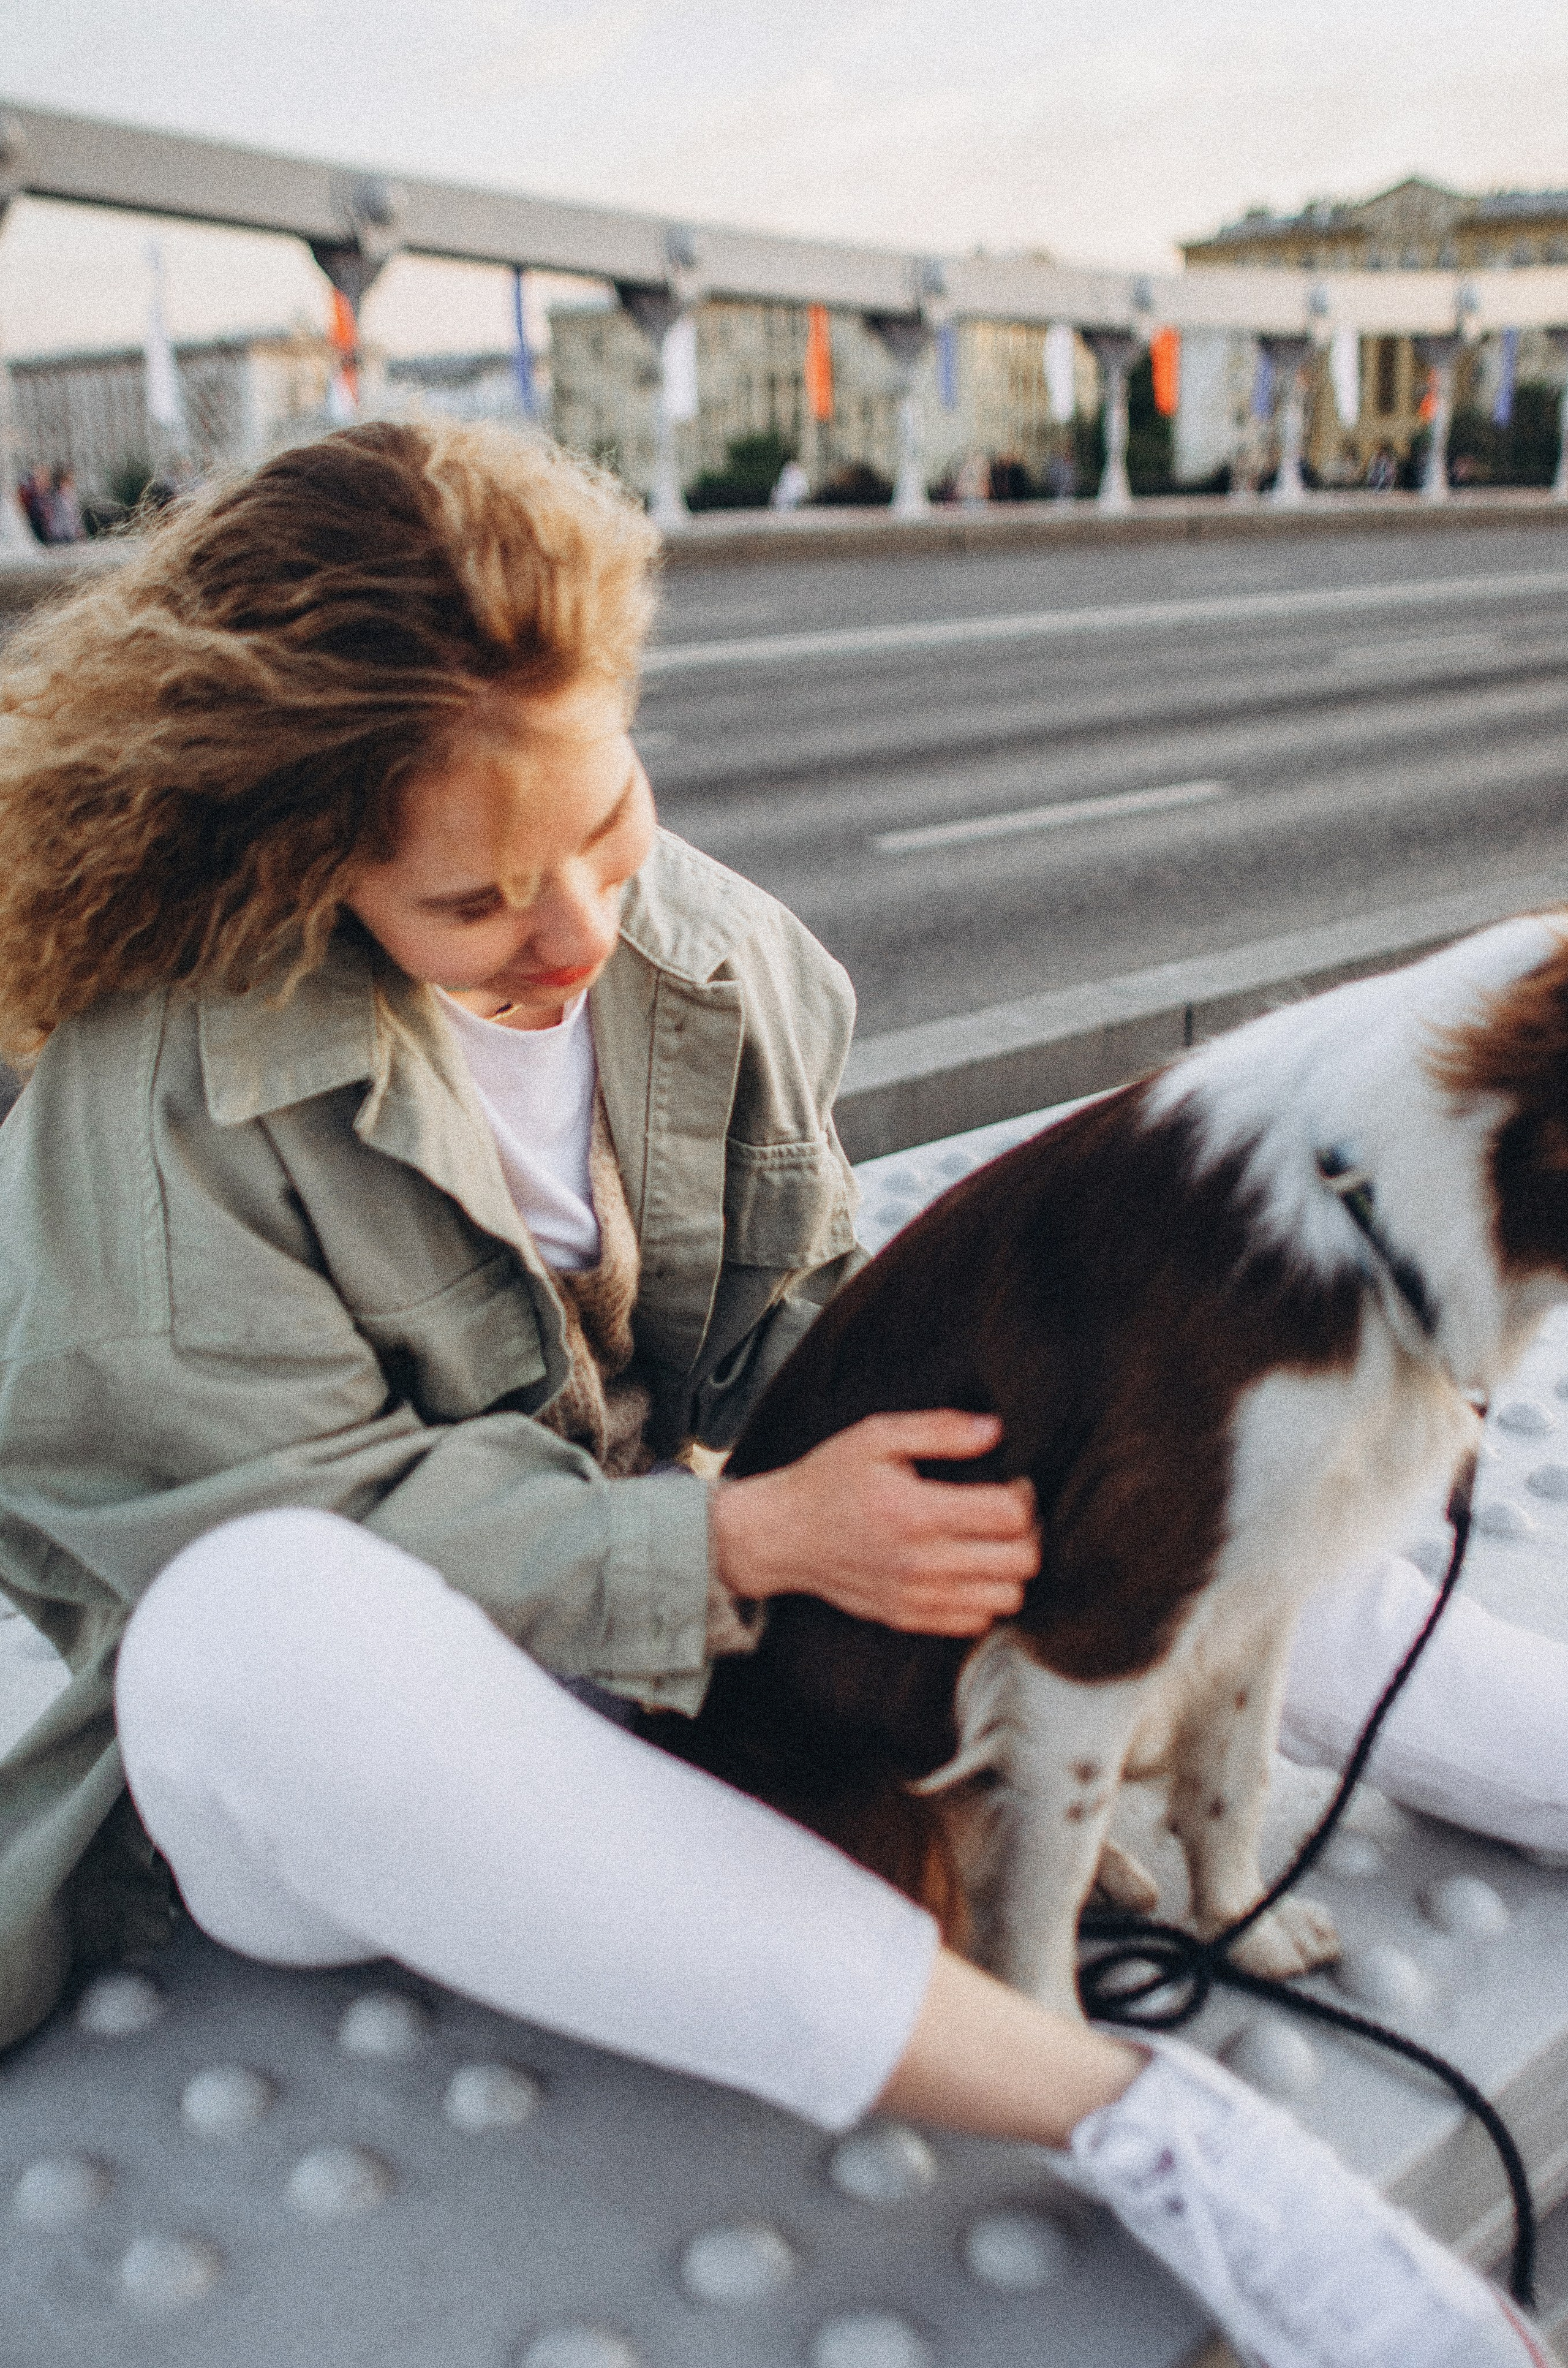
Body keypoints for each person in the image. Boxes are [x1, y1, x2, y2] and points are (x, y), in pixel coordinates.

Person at [0, 422, 1544, 2368]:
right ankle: (1140, 2125)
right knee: (247, 1627)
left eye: (608, 822)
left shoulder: (710, 958)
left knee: (1169, 1452)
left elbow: (828, 1334)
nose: (573, 934)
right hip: (375, 1748)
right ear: (302, 860)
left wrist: (974, 1477)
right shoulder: (149, 1118)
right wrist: (735, 1530)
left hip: (728, 1647)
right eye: (475, 908)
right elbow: (308, 1522)